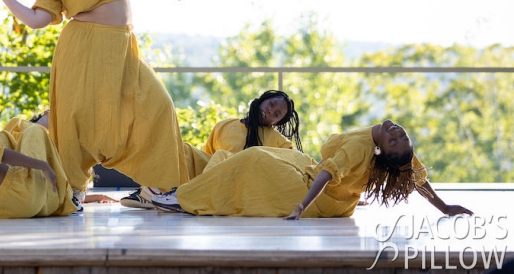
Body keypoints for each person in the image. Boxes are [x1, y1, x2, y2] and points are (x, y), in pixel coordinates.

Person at [0, 0, 191, 201]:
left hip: (122, 47)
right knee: (77, 117)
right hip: (83, 48)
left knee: (158, 104)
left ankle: (155, 187)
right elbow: (38, 20)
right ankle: (72, 189)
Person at [151, 119, 473, 219]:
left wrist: (301, 206)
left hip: (315, 197)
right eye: (399, 134)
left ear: (380, 151)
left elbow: (326, 174)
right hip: (330, 193)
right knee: (260, 152)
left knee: (253, 160)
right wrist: (444, 207)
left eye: (394, 140)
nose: (396, 133)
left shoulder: (361, 147)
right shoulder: (394, 152)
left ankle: (181, 198)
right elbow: (415, 177)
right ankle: (191, 184)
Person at [121, 89, 303, 209]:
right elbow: (207, 161)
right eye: (271, 105)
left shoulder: (282, 142)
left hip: (242, 188)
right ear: (263, 100)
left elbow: (283, 174)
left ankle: (184, 197)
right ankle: (154, 191)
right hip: (212, 178)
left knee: (223, 155)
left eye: (276, 115)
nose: (270, 112)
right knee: (184, 149)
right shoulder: (225, 125)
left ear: (277, 122)